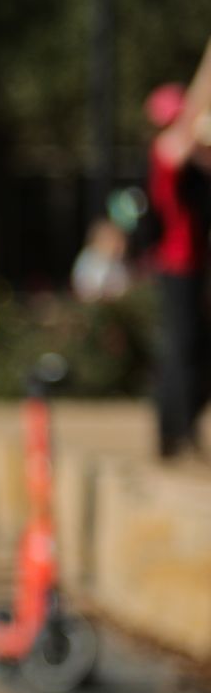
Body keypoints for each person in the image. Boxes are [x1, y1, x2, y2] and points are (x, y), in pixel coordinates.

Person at [147, 78, 210, 459]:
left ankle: (177, 429)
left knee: (188, 347)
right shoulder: (167, 150)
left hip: (189, 262)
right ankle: (177, 430)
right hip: (179, 263)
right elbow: (182, 146)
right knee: (182, 348)